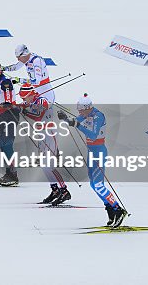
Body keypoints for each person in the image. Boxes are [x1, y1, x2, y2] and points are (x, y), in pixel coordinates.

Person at [57, 94, 128, 227]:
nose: (80, 113)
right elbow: (75, 120)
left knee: (98, 185)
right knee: (93, 185)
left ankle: (118, 209)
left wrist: (77, 125)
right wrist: (65, 119)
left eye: (81, 110)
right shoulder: (86, 114)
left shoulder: (98, 116)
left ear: (88, 108)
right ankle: (110, 210)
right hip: (91, 152)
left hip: (99, 151)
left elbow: (93, 136)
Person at [18, 83, 70, 205]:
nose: (23, 99)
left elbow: (38, 116)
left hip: (49, 133)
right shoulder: (31, 101)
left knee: (49, 165)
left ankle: (64, 190)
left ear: (30, 94)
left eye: (24, 97)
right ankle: (55, 190)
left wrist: (24, 112)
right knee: (43, 165)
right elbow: (21, 105)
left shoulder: (42, 101)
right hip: (41, 134)